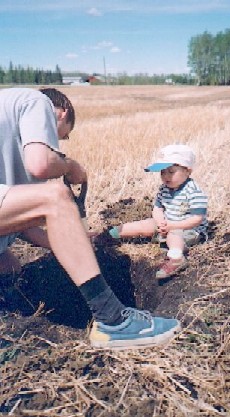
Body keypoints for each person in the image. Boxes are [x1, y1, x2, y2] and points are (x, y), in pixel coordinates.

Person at [0, 87, 180, 349]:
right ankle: (113, 321)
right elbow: (40, 163)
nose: (58, 143)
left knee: (9, 267)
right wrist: (71, 166)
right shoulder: (36, 101)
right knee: (56, 197)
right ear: (61, 114)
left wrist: (73, 239)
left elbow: (23, 226)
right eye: (64, 136)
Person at [109, 144, 208, 280]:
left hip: (187, 230)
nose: (166, 176)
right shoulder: (164, 189)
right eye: (162, 172)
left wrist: (173, 226)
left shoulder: (194, 191)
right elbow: (157, 208)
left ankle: (176, 258)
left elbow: (197, 219)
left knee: (174, 234)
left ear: (188, 171)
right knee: (145, 224)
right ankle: (109, 234)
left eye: (171, 171)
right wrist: (160, 220)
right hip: (167, 224)